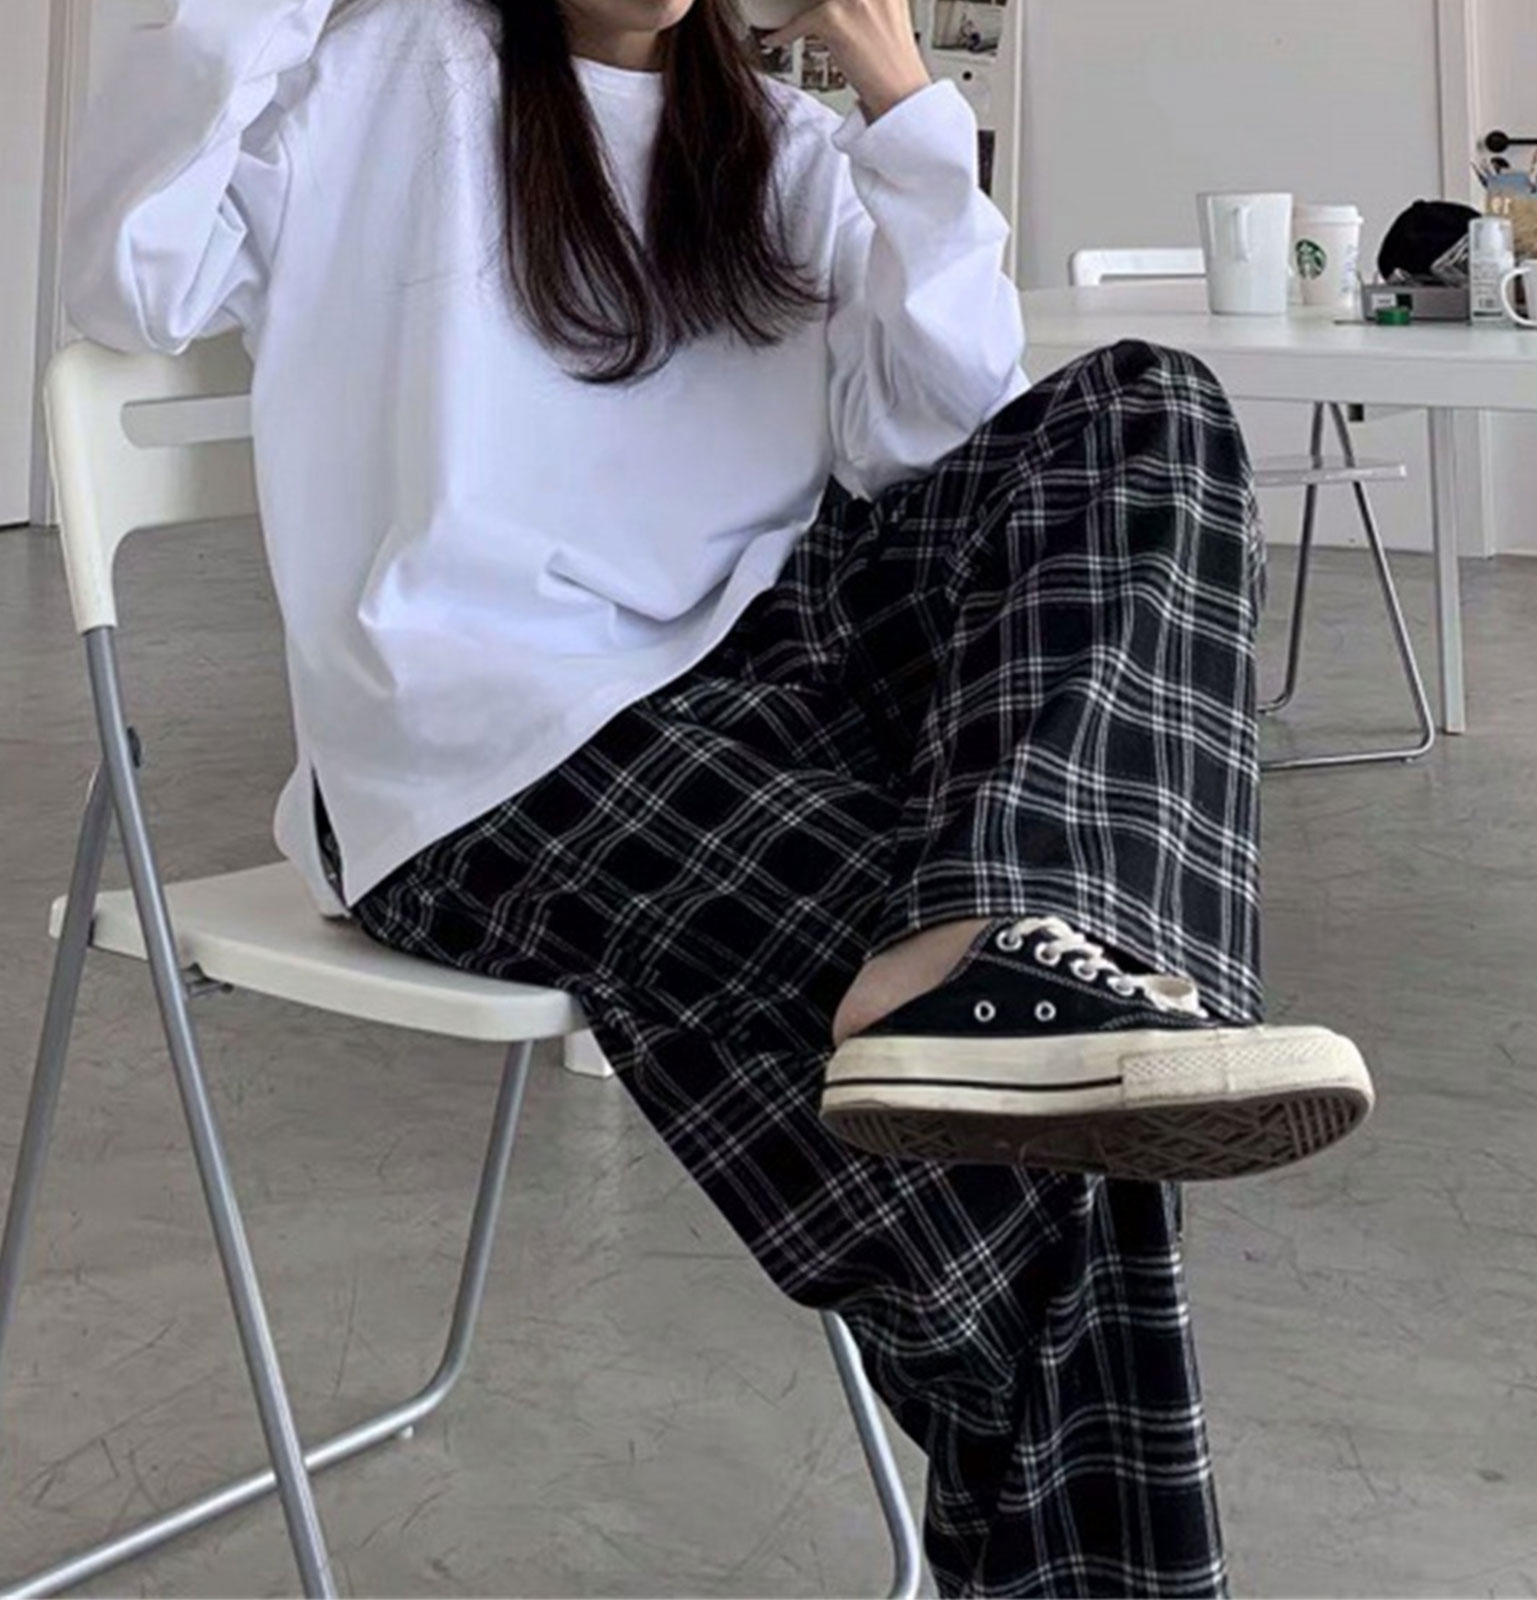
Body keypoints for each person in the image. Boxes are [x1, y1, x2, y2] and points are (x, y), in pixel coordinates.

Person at [63, 0, 1375, 1590]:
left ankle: (995, 932)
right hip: (486, 754)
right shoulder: (379, 74)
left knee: (1146, 405)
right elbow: (129, 278)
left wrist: (899, 91)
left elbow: (942, 441)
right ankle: (1018, 990)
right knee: (1062, 1130)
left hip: (775, 689)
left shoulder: (785, 144)